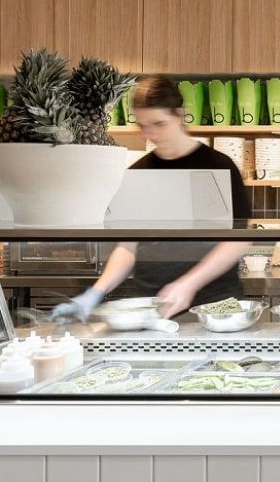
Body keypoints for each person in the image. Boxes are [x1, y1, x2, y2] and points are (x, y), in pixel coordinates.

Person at [54, 76, 252, 320]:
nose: (150, 134)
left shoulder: (217, 167)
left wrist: (189, 283)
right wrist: (97, 290)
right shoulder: (137, 173)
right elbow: (128, 247)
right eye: (143, 125)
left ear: (179, 115)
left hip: (213, 306)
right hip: (151, 305)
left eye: (159, 123)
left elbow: (238, 240)